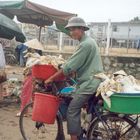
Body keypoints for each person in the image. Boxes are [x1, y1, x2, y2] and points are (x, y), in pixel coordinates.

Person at [45, 17, 103, 140]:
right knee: (86, 108)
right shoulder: (89, 42)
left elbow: (69, 67)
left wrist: (51, 78)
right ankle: (89, 132)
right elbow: (78, 64)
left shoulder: (85, 44)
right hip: (93, 81)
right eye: (70, 30)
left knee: (72, 110)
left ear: (82, 29)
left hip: (89, 83)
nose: (71, 33)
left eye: (73, 29)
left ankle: (74, 138)